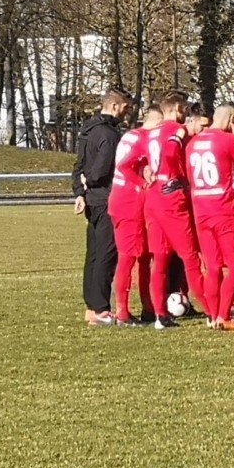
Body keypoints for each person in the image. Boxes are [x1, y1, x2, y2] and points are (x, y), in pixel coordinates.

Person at [143, 93, 211, 329]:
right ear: (177, 108)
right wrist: (176, 177)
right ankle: (212, 312)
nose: (185, 113)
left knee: (160, 260)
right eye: (183, 109)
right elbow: (171, 151)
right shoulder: (177, 129)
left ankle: (160, 315)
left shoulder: (153, 131)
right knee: (190, 258)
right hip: (171, 199)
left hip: (153, 197)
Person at [187, 103, 234, 330]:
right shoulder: (228, 140)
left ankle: (213, 316)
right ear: (233, 119)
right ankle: (224, 315)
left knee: (212, 267)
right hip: (225, 211)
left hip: (201, 212)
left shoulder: (192, 144)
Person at [72, 87, 131, 325]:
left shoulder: (87, 130)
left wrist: (80, 191)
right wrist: (91, 180)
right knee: (107, 254)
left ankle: (91, 307)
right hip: (108, 199)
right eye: (125, 107)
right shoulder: (110, 134)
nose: (127, 112)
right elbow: (103, 168)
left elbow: (78, 165)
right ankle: (101, 309)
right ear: (115, 106)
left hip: (92, 200)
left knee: (94, 254)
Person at [107, 103, 162, 327]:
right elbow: (124, 166)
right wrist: (143, 183)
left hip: (127, 201)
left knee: (144, 256)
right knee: (128, 257)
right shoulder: (144, 139)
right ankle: (122, 311)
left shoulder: (131, 135)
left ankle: (148, 307)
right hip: (129, 203)